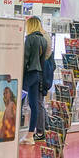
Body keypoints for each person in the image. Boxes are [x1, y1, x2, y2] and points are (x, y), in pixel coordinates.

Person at [21, 16, 49, 144]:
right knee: (34, 105)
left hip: (28, 76)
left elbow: (24, 59)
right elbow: (43, 60)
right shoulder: (43, 40)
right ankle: (30, 135)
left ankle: (9, 131)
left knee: (16, 103)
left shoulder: (30, 38)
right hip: (38, 75)